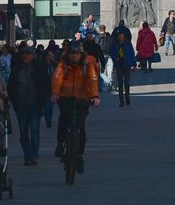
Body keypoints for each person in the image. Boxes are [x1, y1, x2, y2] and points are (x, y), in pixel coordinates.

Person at [51, 40, 101, 173]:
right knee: (63, 118)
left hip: (82, 97)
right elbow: (57, 77)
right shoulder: (63, 63)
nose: (74, 56)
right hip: (65, 96)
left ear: (81, 53)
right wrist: (55, 93)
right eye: (72, 53)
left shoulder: (87, 63)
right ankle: (60, 143)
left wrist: (95, 96)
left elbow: (92, 79)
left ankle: (79, 156)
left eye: (77, 53)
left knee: (81, 129)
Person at [7, 43, 50, 166]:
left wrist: (44, 99)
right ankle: (28, 155)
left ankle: (34, 154)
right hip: (21, 105)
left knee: (35, 131)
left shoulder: (39, 69)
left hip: (35, 105)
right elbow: (10, 87)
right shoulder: (17, 70)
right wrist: (14, 101)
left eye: (28, 54)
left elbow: (46, 84)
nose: (25, 56)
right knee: (23, 132)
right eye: (23, 54)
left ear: (33, 56)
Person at [110, 32, 136, 106]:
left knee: (127, 83)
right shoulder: (115, 44)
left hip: (127, 65)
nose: (120, 37)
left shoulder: (128, 44)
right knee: (120, 84)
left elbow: (132, 53)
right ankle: (121, 101)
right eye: (119, 36)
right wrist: (115, 57)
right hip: (119, 65)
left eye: (121, 36)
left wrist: (134, 65)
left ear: (124, 36)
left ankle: (127, 97)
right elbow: (111, 52)